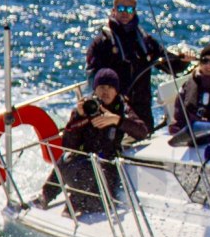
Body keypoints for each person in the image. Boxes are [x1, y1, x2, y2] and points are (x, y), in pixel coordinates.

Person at [33, 68, 150, 215]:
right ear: (95, 89)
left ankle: (75, 202)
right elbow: (68, 144)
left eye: (110, 87)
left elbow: (142, 131)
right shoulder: (87, 107)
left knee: (101, 198)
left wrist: (116, 120)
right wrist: (80, 118)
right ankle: (46, 195)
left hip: (107, 161)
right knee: (65, 159)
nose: (105, 92)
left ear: (116, 91)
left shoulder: (122, 108)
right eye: (101, 87)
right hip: (83, 158)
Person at [86, 0, 195, 130]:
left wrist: (183, 60)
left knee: (144, 136)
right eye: (121, 9)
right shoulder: (102, 42)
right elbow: (93, 76)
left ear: (134, 12)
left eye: (129, 9)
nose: (125, 13)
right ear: (113, 11)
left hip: (141, 105)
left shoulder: (145, 40)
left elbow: (168, 65)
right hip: (113, 105)